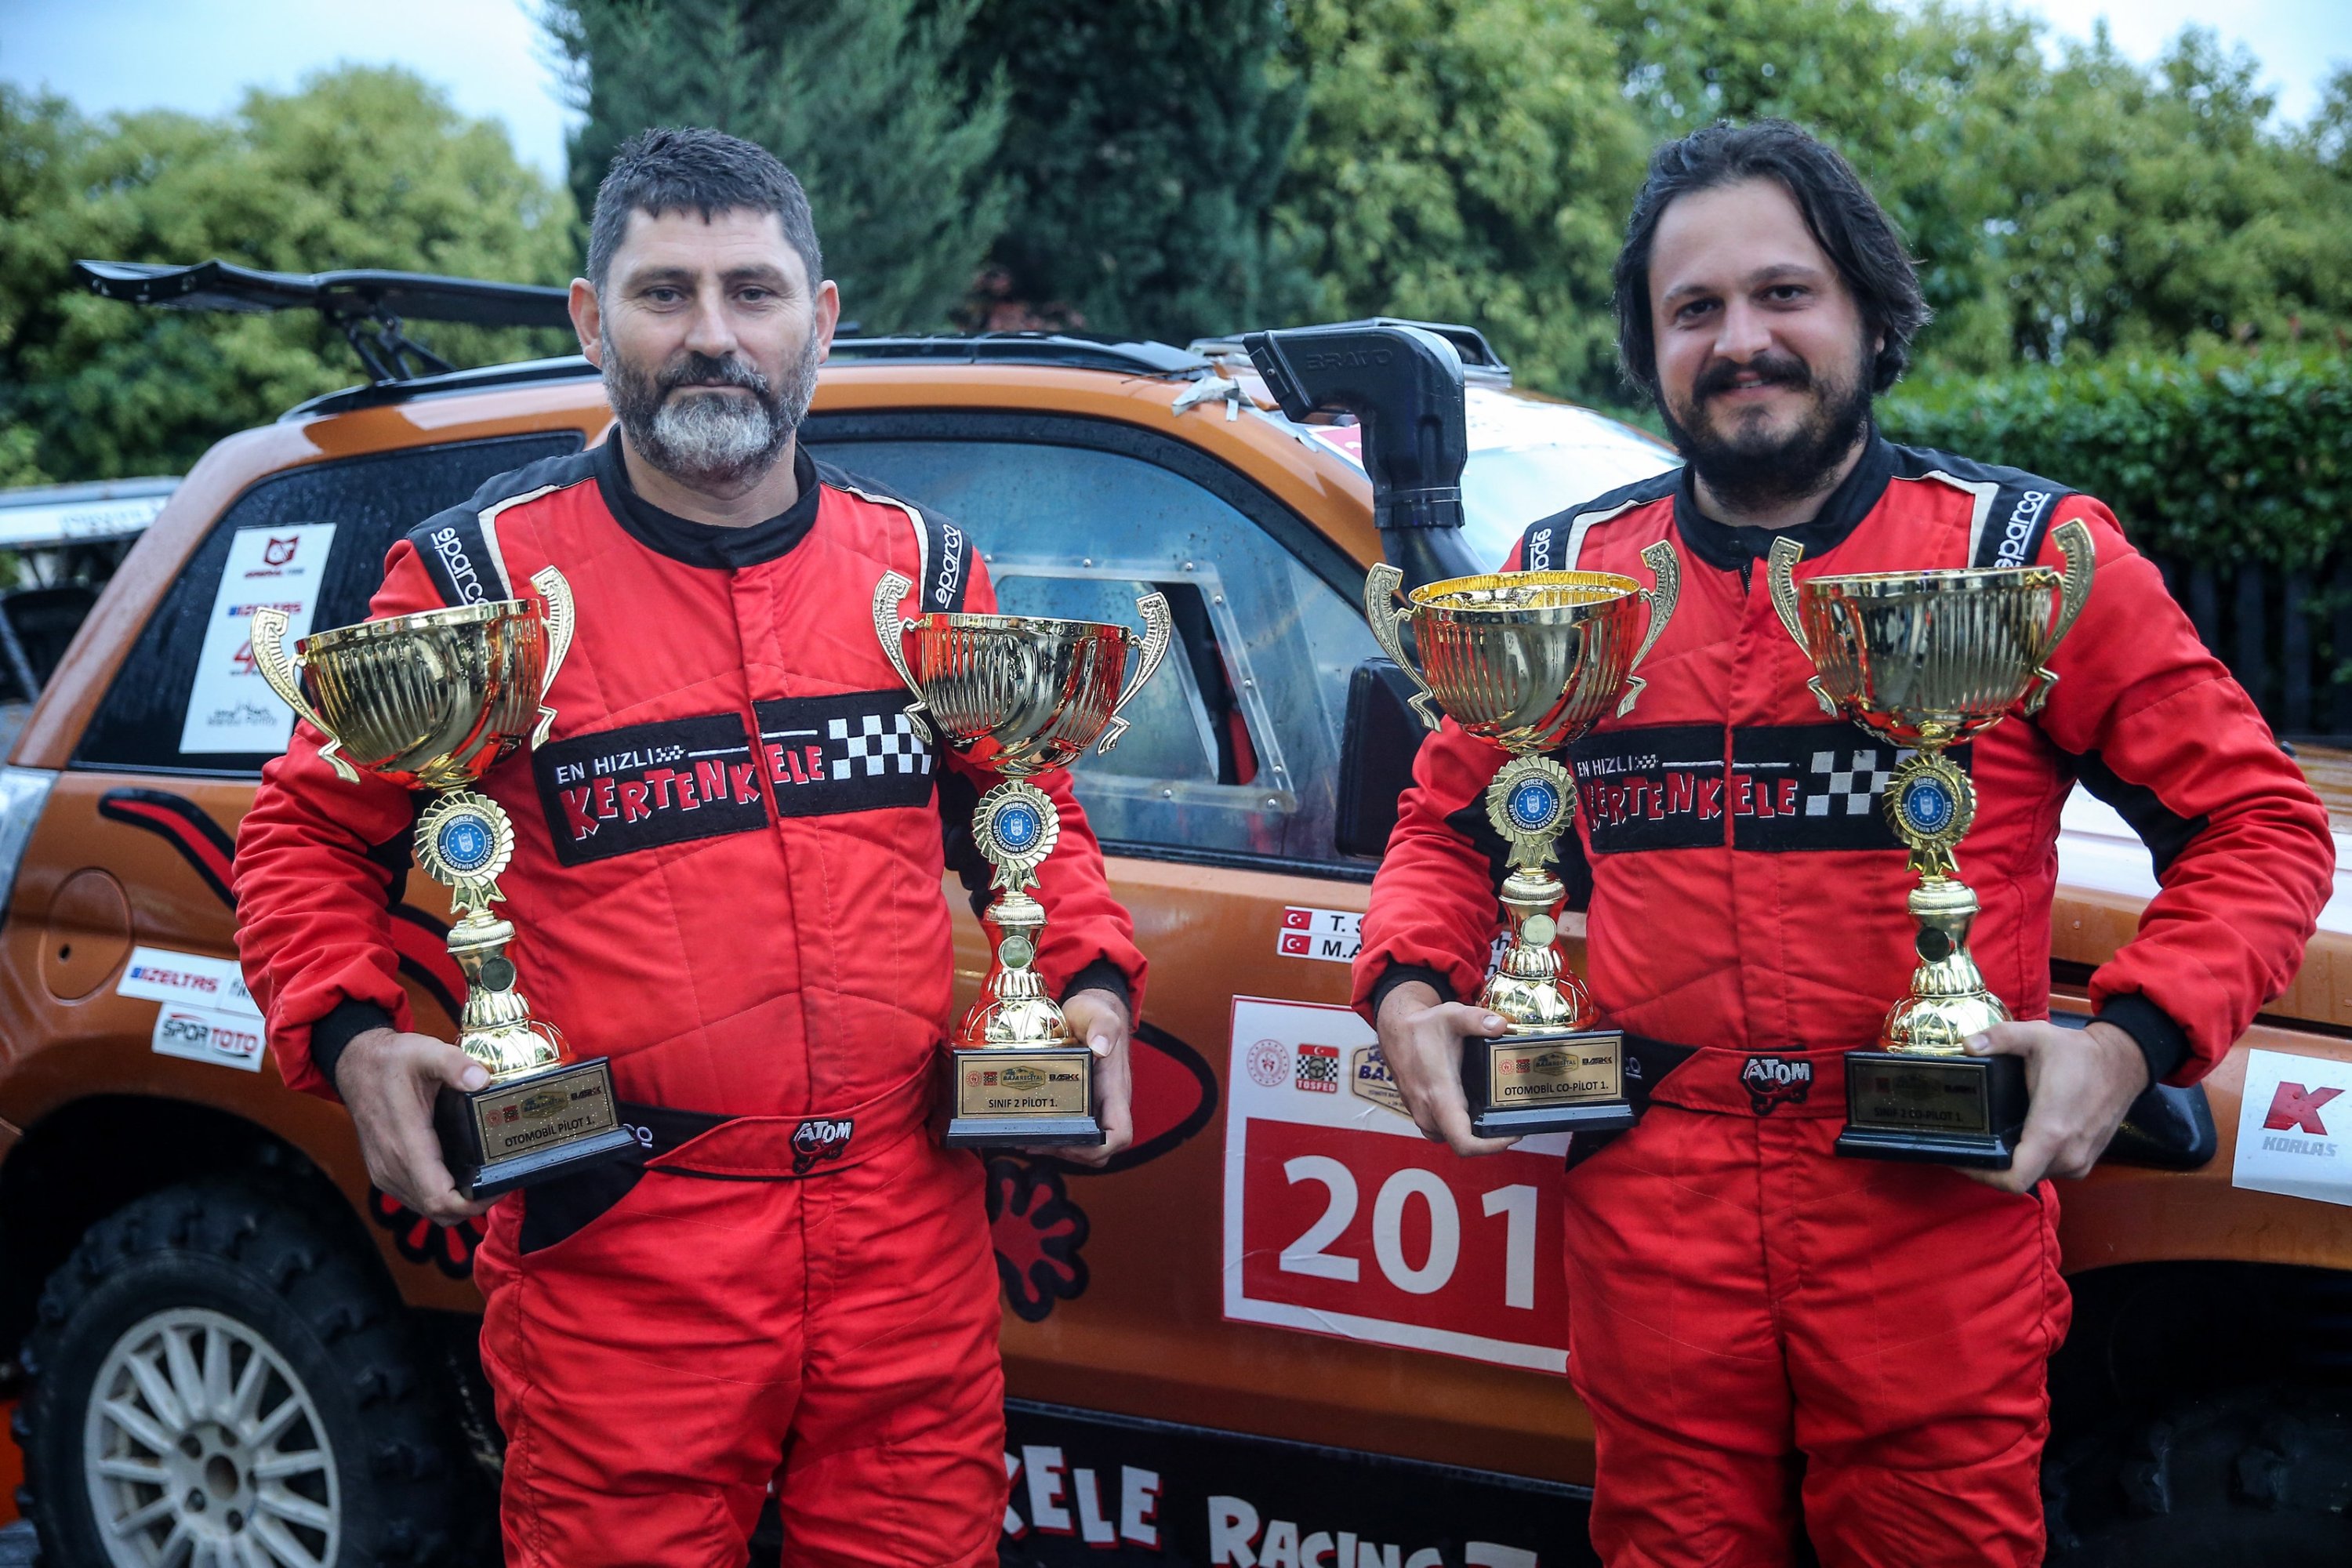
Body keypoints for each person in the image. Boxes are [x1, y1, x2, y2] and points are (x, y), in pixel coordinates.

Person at [1354, 120, 2333, 1567]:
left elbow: (2259, 826)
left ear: (1872, 311)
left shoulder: (2028, 558)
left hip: (1931, 1230)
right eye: (1696, 311)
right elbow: (1446, 827)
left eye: (1783, 293)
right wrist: (1407, 991)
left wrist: (2128, 1042)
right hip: (1656, 1233)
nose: (1741, 340)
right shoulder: (1564, 577)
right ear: (1653, 348)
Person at [234, 126, 1146, 1567]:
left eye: (753, 292)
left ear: (821, 322)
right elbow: (303, 834)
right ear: (594, 322)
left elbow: (1022, 816)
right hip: (620, 1249)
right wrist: (347, 1036)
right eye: (665, 294)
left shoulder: (923, 570)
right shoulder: (478, 582)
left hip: (907, 1233)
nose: (712, 336)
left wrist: (1090, 987)